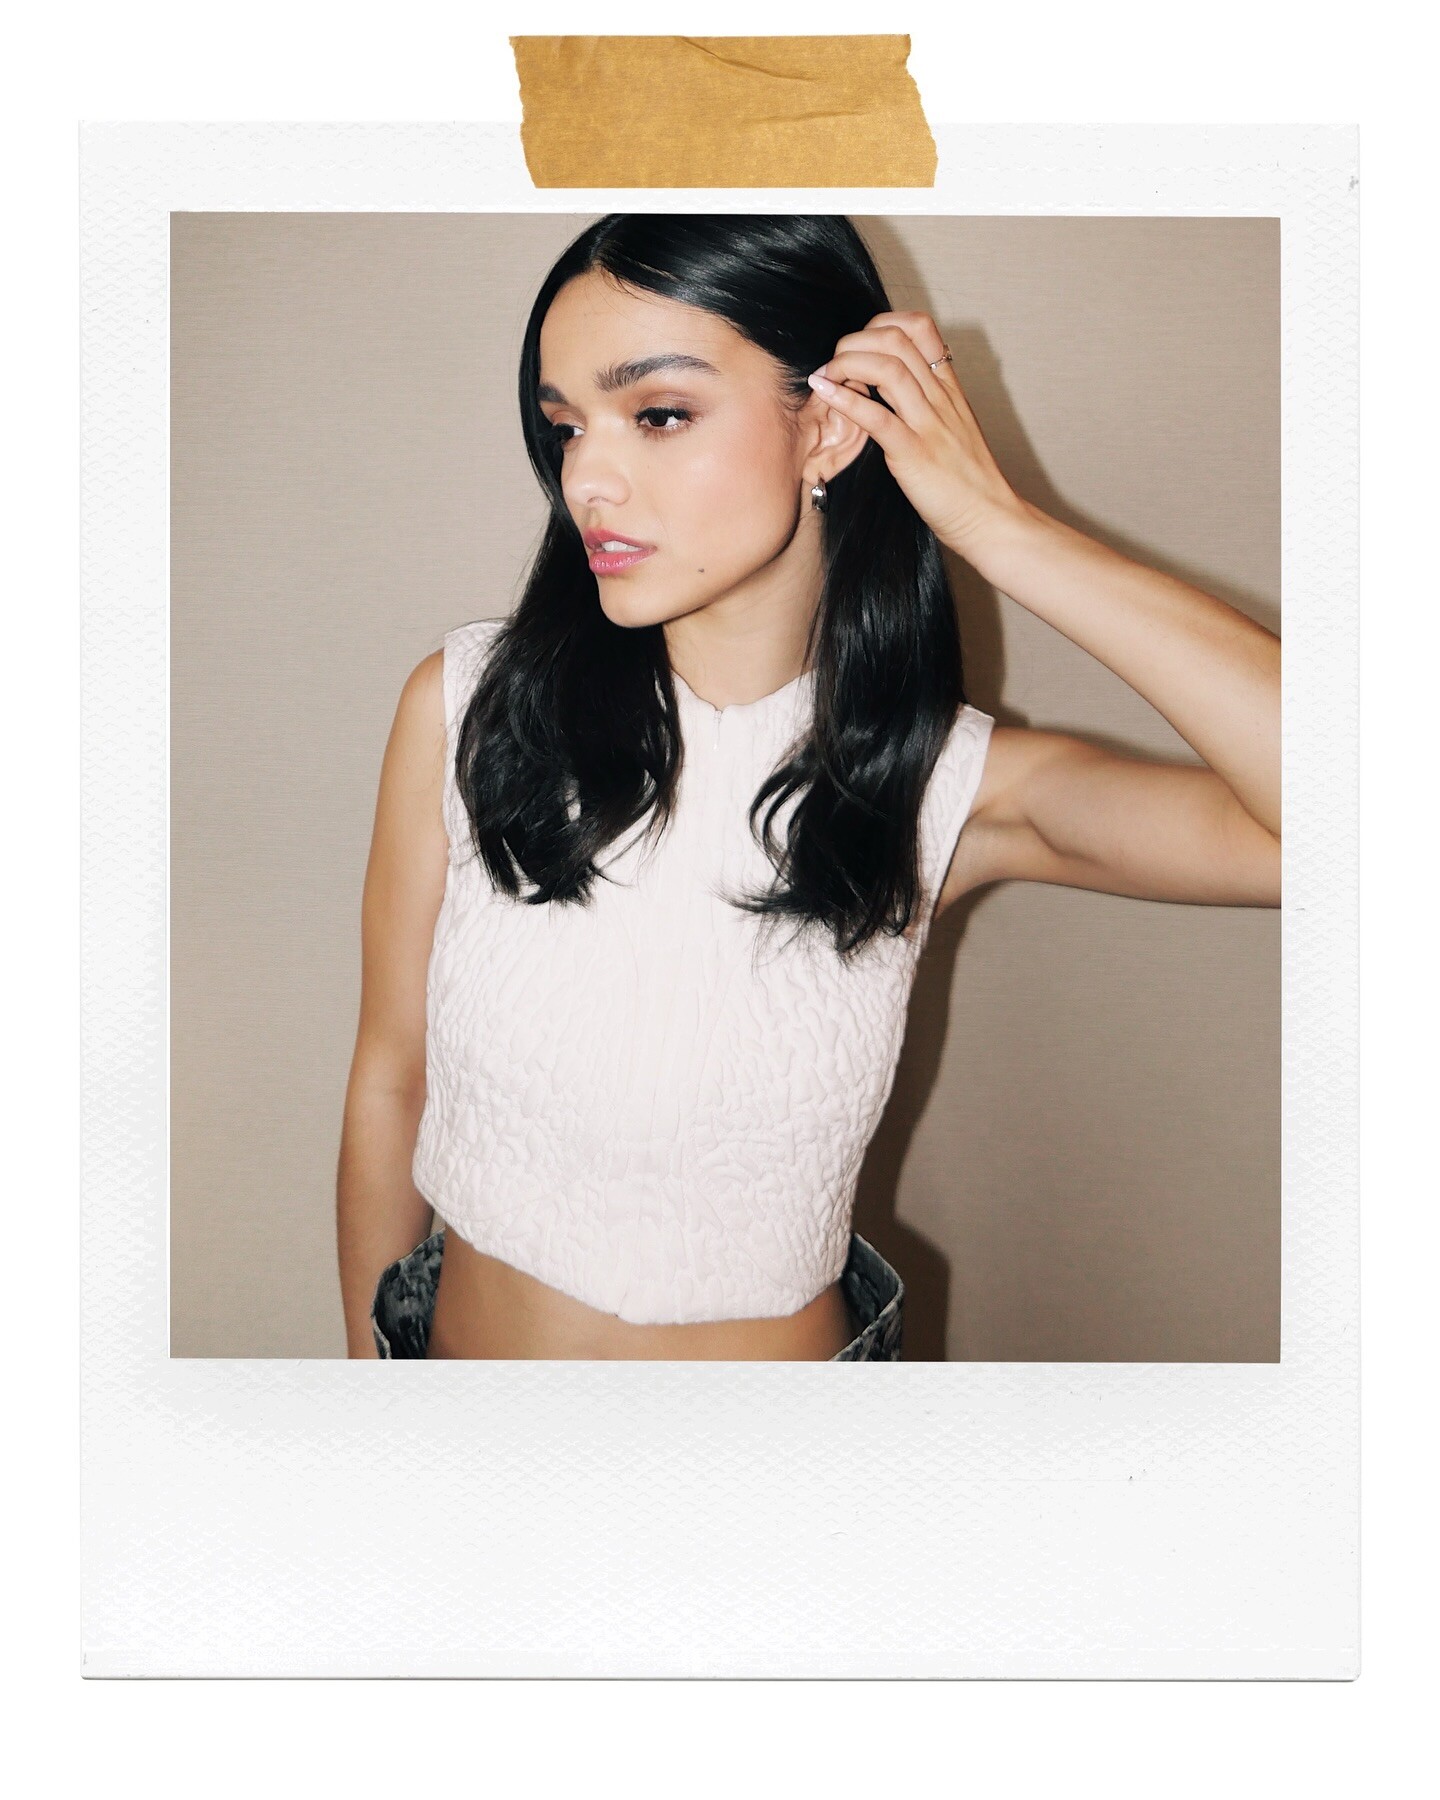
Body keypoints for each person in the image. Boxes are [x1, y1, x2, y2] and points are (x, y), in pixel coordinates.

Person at [336, 214, 1280, 1363]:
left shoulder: (942, 788)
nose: (586, 475)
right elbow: (390, 1078)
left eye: (659, 414)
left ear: (826, 427)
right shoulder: (468, 706)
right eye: (567, 425)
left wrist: (997, 527)